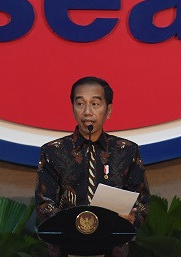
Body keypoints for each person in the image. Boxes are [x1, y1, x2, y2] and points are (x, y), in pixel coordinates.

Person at [35, 76, 150, 257]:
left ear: (108, 109)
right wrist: (73, 224)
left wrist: (132, 217)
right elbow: (44, 204)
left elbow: (142, 201)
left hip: (113, 250)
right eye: (80, 104)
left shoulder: (127, 151)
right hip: (66, 249)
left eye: (95, 104)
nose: (87, 112)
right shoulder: (52, 152)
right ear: (73, 108)